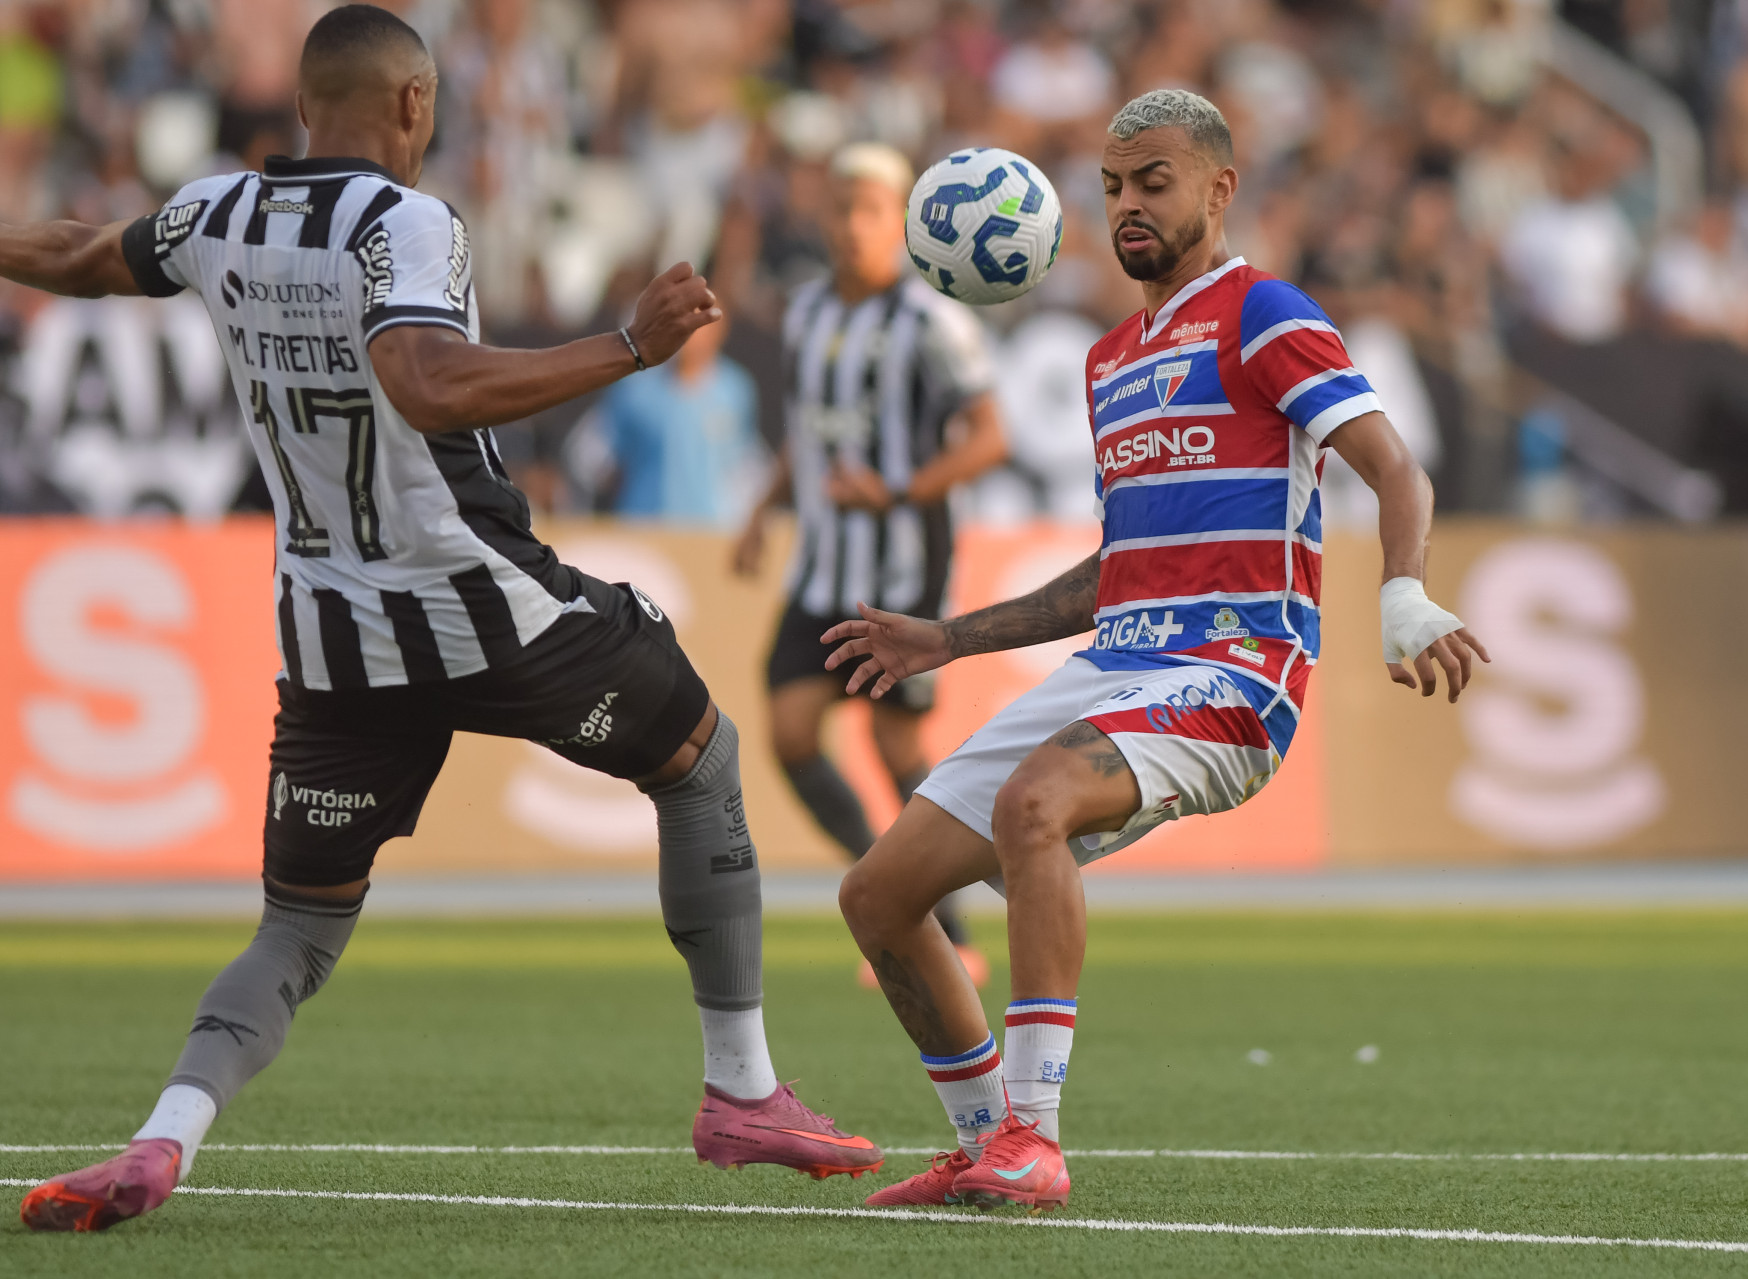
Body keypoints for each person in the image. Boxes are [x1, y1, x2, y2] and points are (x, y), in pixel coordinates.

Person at [2, 6, 879, 1234]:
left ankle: (160, 1140)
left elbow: (83, 252)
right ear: (413, 106)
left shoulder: (213, 215)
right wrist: (627, 343)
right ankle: (741, 1091)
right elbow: (423, 381)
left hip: (330, 635)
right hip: (484, 606)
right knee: (702, 759)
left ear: (307, 103)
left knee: (300, 927)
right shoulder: (408, 224)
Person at [829, 89, 1489, 1212]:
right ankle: (984, 1136)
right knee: (878, 896)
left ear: (1220, 188)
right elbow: (1115, 569)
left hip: (1235, 670)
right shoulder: (1110, 361)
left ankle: (1033, 1140)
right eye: (1113, 187)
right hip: (1118, 667)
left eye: (1155, 181)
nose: (1129, 205)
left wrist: (1407, 593)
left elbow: (1397, 469)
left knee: (1033, 804)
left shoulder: (1265, 314)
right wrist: (948, 638)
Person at [732, 142, 1008, 987]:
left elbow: (991, 438)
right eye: (841, 208)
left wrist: (896, 491)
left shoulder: (934, 320)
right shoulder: (809, 310)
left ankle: (949, 927)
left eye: (870, 211)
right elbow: (815, 433)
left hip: (901, 566)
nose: (853, 225)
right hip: (821, 567)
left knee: (895, 748)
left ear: (899, 224)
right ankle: (896, 889)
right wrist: (762, 508)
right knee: (786, 732)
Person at [581, 312, 763, 524]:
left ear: (719, 331)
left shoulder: (734, 389)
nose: (691, 334)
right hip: (643, 524)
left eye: (701, 325)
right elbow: (593, 456)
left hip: (711, 529)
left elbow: (745, 462)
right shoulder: (634, 388)